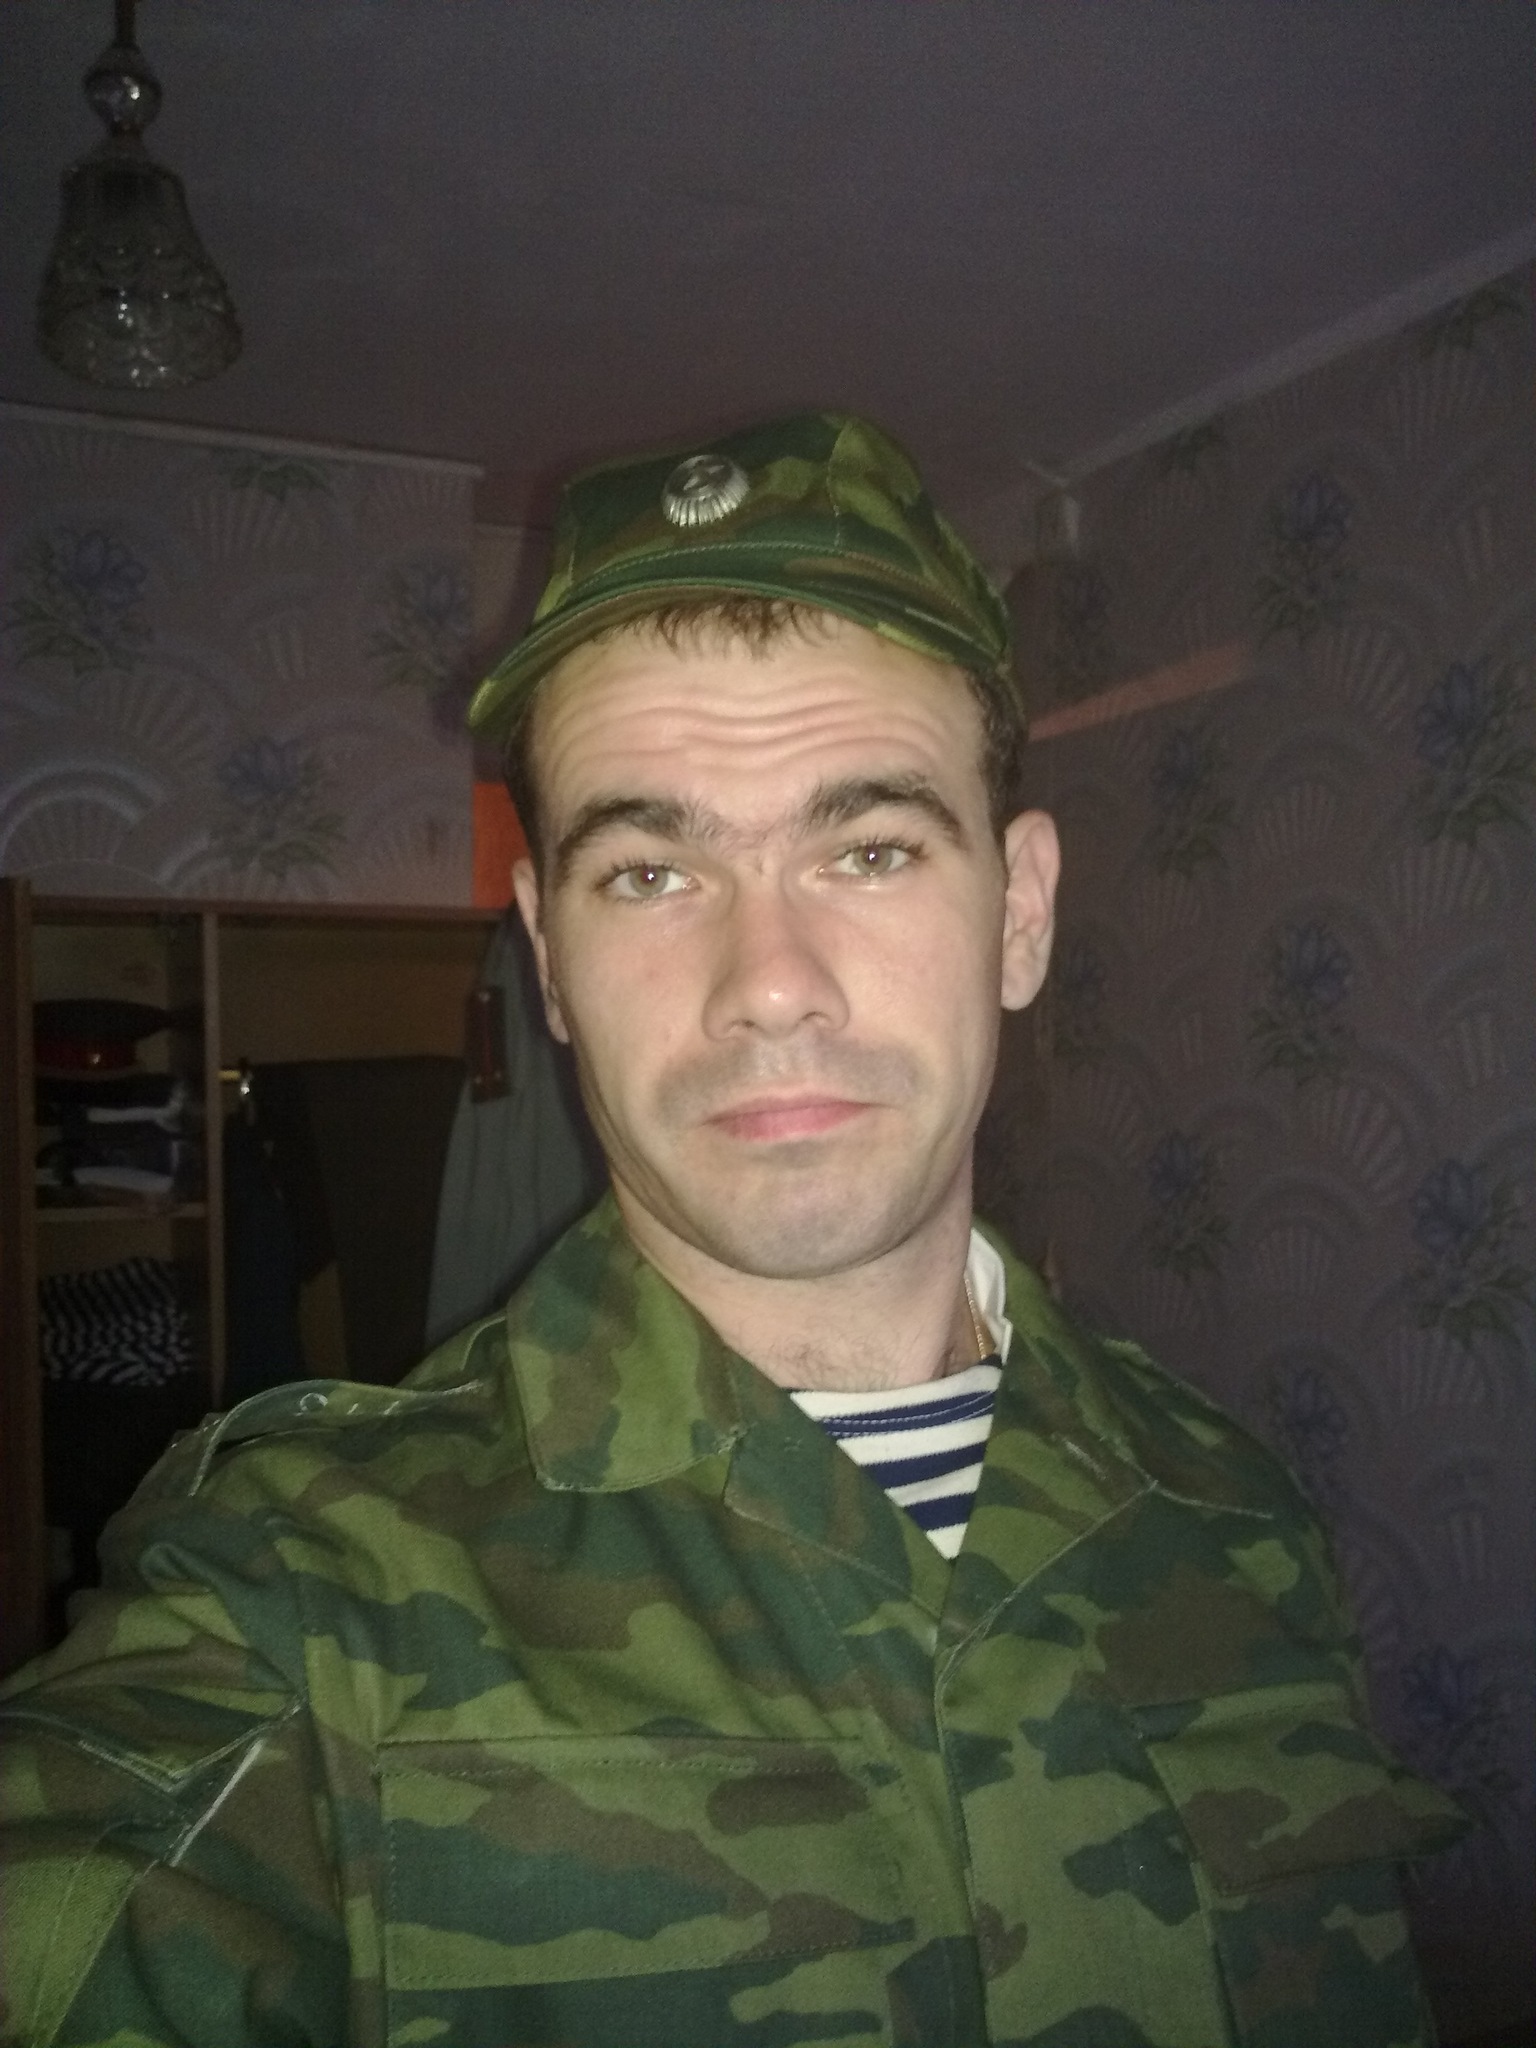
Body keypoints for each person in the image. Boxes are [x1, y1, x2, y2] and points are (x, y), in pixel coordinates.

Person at [0, 413, 1462, 2048]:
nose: (769, 982)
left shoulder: (1239, 1520)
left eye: (871, 848)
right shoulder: (297, 1582)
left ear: (1024, 912)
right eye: (650, 873)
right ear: (550, 959)